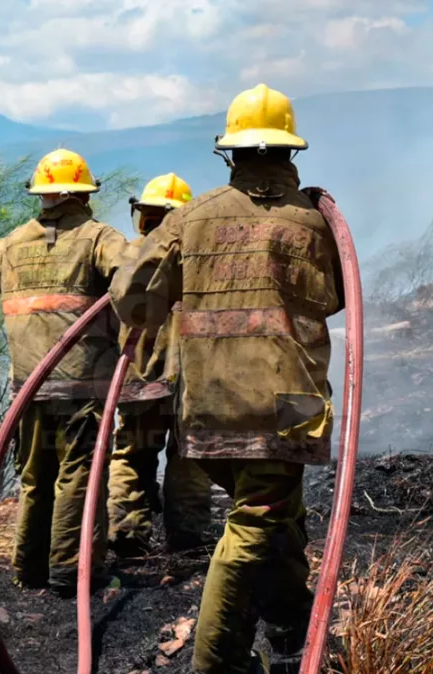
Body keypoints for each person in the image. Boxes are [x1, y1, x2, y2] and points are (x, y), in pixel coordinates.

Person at [109, 84, 345, 673]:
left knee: (277, 518)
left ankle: (291, 634)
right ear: (290, 153)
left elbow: (131, 299)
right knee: (254, 528)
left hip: (208, 405)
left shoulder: (190, 218)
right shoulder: (315, 223)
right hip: (290, 405)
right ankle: (217, 664)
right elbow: (337, 300)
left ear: (230, 153)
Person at [0, 148, 130, 598]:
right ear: (84, 194)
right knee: (79, 477)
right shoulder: (100, 239)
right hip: (82, 386)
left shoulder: (8, 245)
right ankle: (71, 573)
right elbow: (134, 277)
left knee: (35, 477)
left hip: (28, 387)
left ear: (41, 195)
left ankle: (28, 570)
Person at [107, 173, 213, 559]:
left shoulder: (126, 257)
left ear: (143, 216)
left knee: (133, 453)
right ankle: (186, 538)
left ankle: (126, 534)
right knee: (188, 457)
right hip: (188, 380)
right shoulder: (196, 261)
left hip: (136, 379)